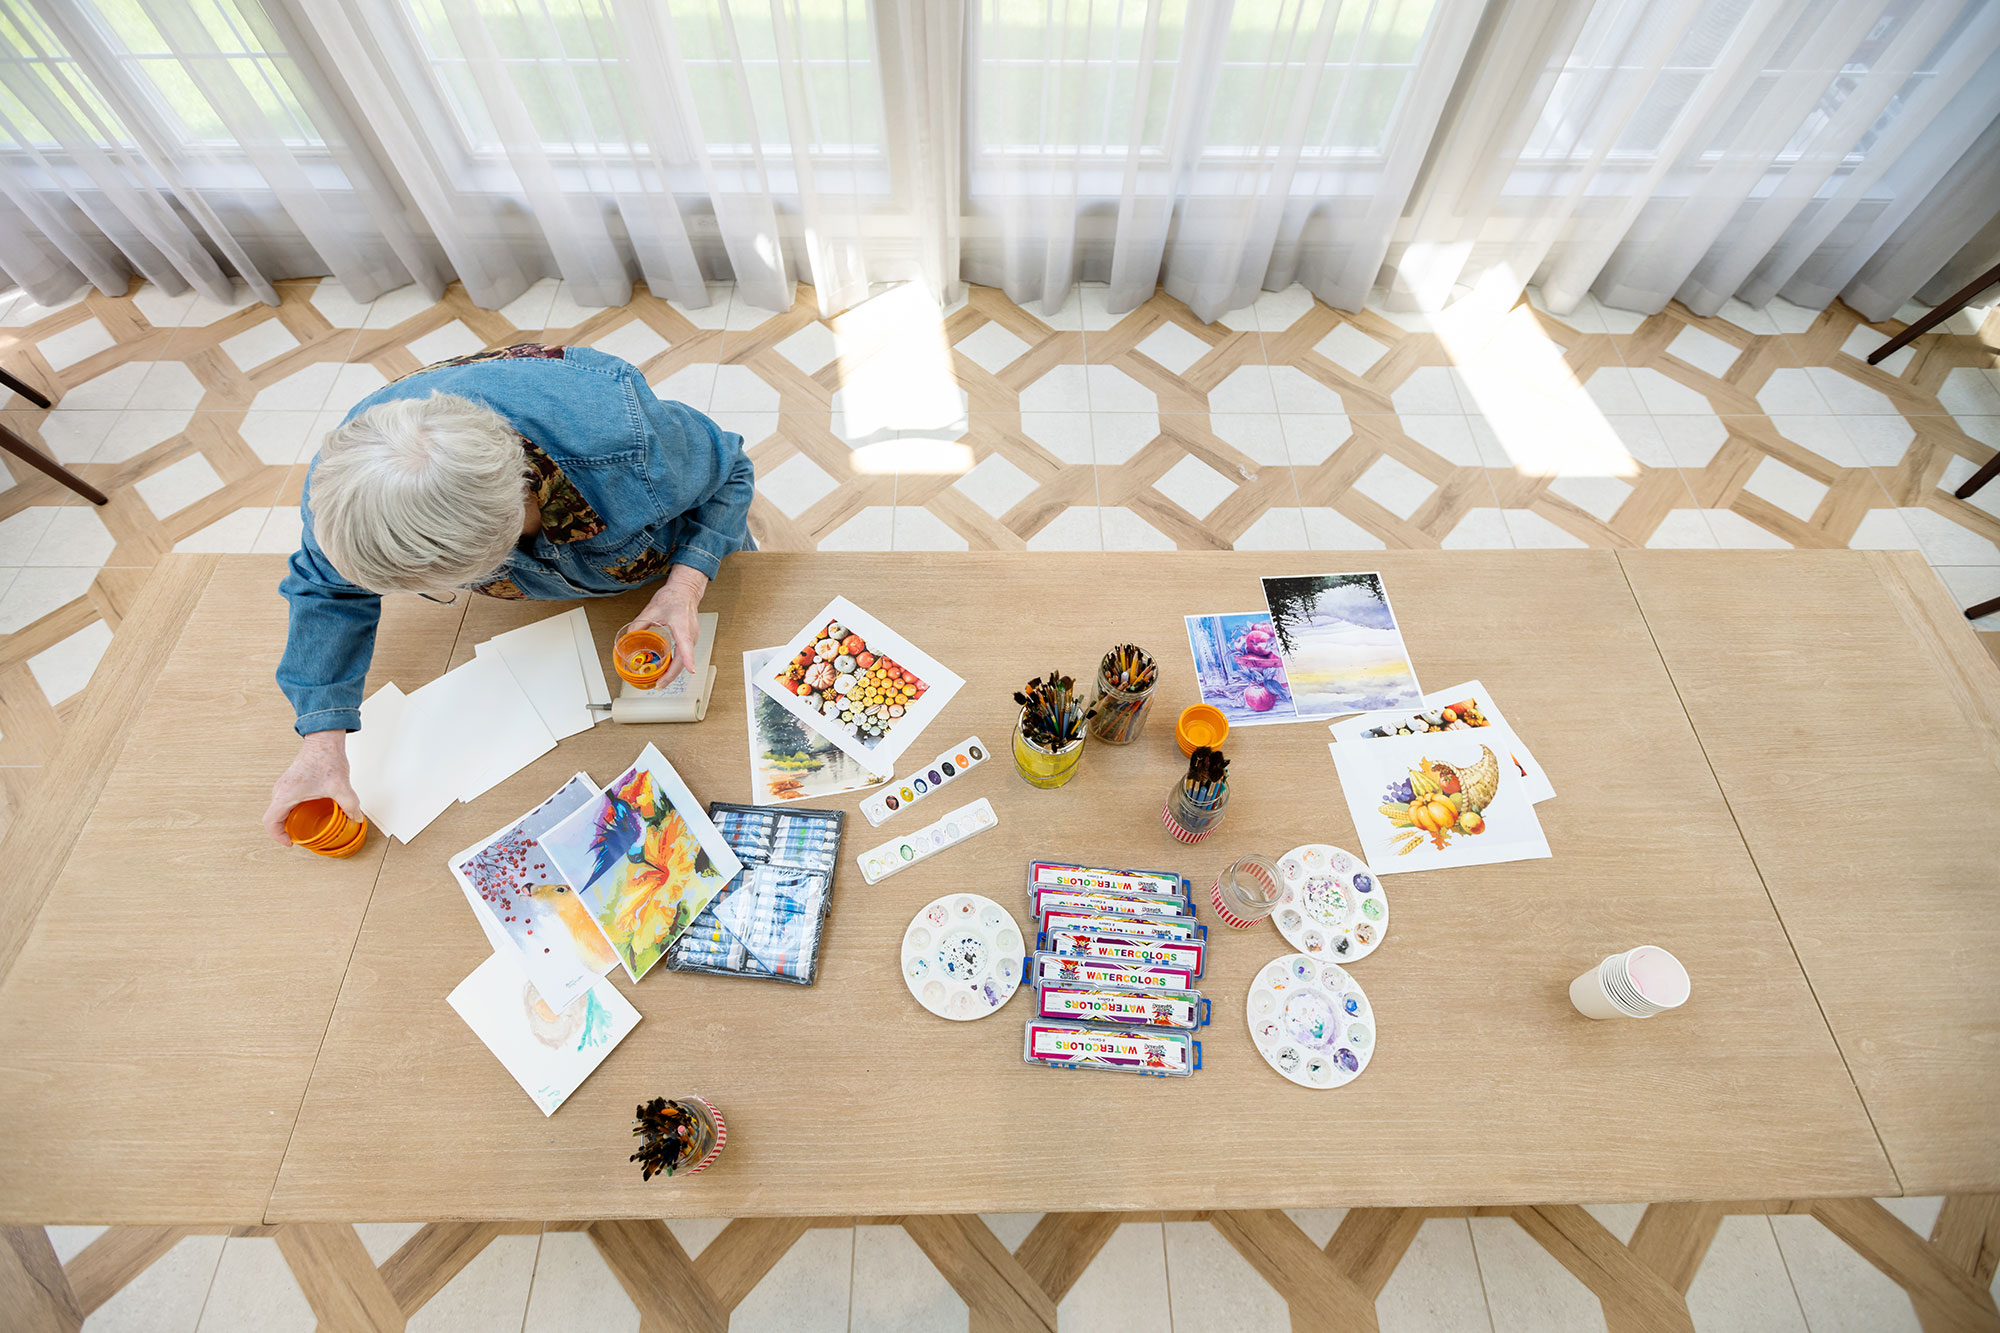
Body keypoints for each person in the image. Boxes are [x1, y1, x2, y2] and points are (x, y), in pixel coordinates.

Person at [260, 342, 754, 844]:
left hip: (679, 570)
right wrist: (322, 744)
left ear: (510, 526)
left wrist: (686, 586)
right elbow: (327, 591)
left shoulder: (622, 442)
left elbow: (732, 471)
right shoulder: (346, 491)